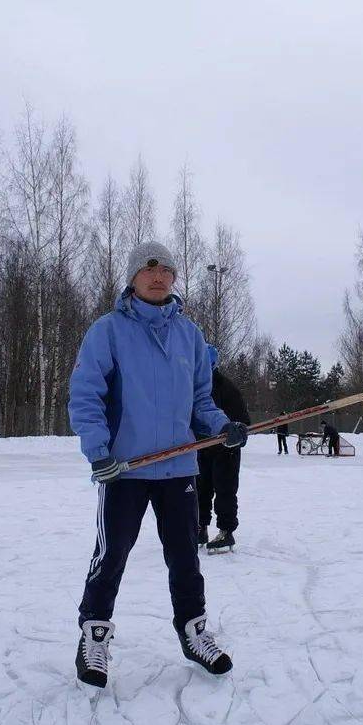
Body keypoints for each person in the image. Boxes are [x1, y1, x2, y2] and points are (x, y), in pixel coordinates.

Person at [68, 241, 248, 688]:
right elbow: (85, 396)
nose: (158, 276)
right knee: (111, 555)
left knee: (186, 558)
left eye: (166, 269)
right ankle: (94, 636)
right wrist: (99, 451)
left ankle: (194, 633)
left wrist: (224, 426)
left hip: (179, 470)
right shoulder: (107, 331)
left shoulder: (190, 336)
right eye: (149, 269)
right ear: (133, 277)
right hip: (124, 470)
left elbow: (201, 402)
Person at [196, 344, 250, 553]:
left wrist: (236, 434)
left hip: (226, 451)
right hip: (202, 448)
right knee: (201, 490)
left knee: (225, 490)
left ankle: (226, 531)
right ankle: (200, 527)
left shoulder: (227, 388)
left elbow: (244, 422)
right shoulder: (196, 387)